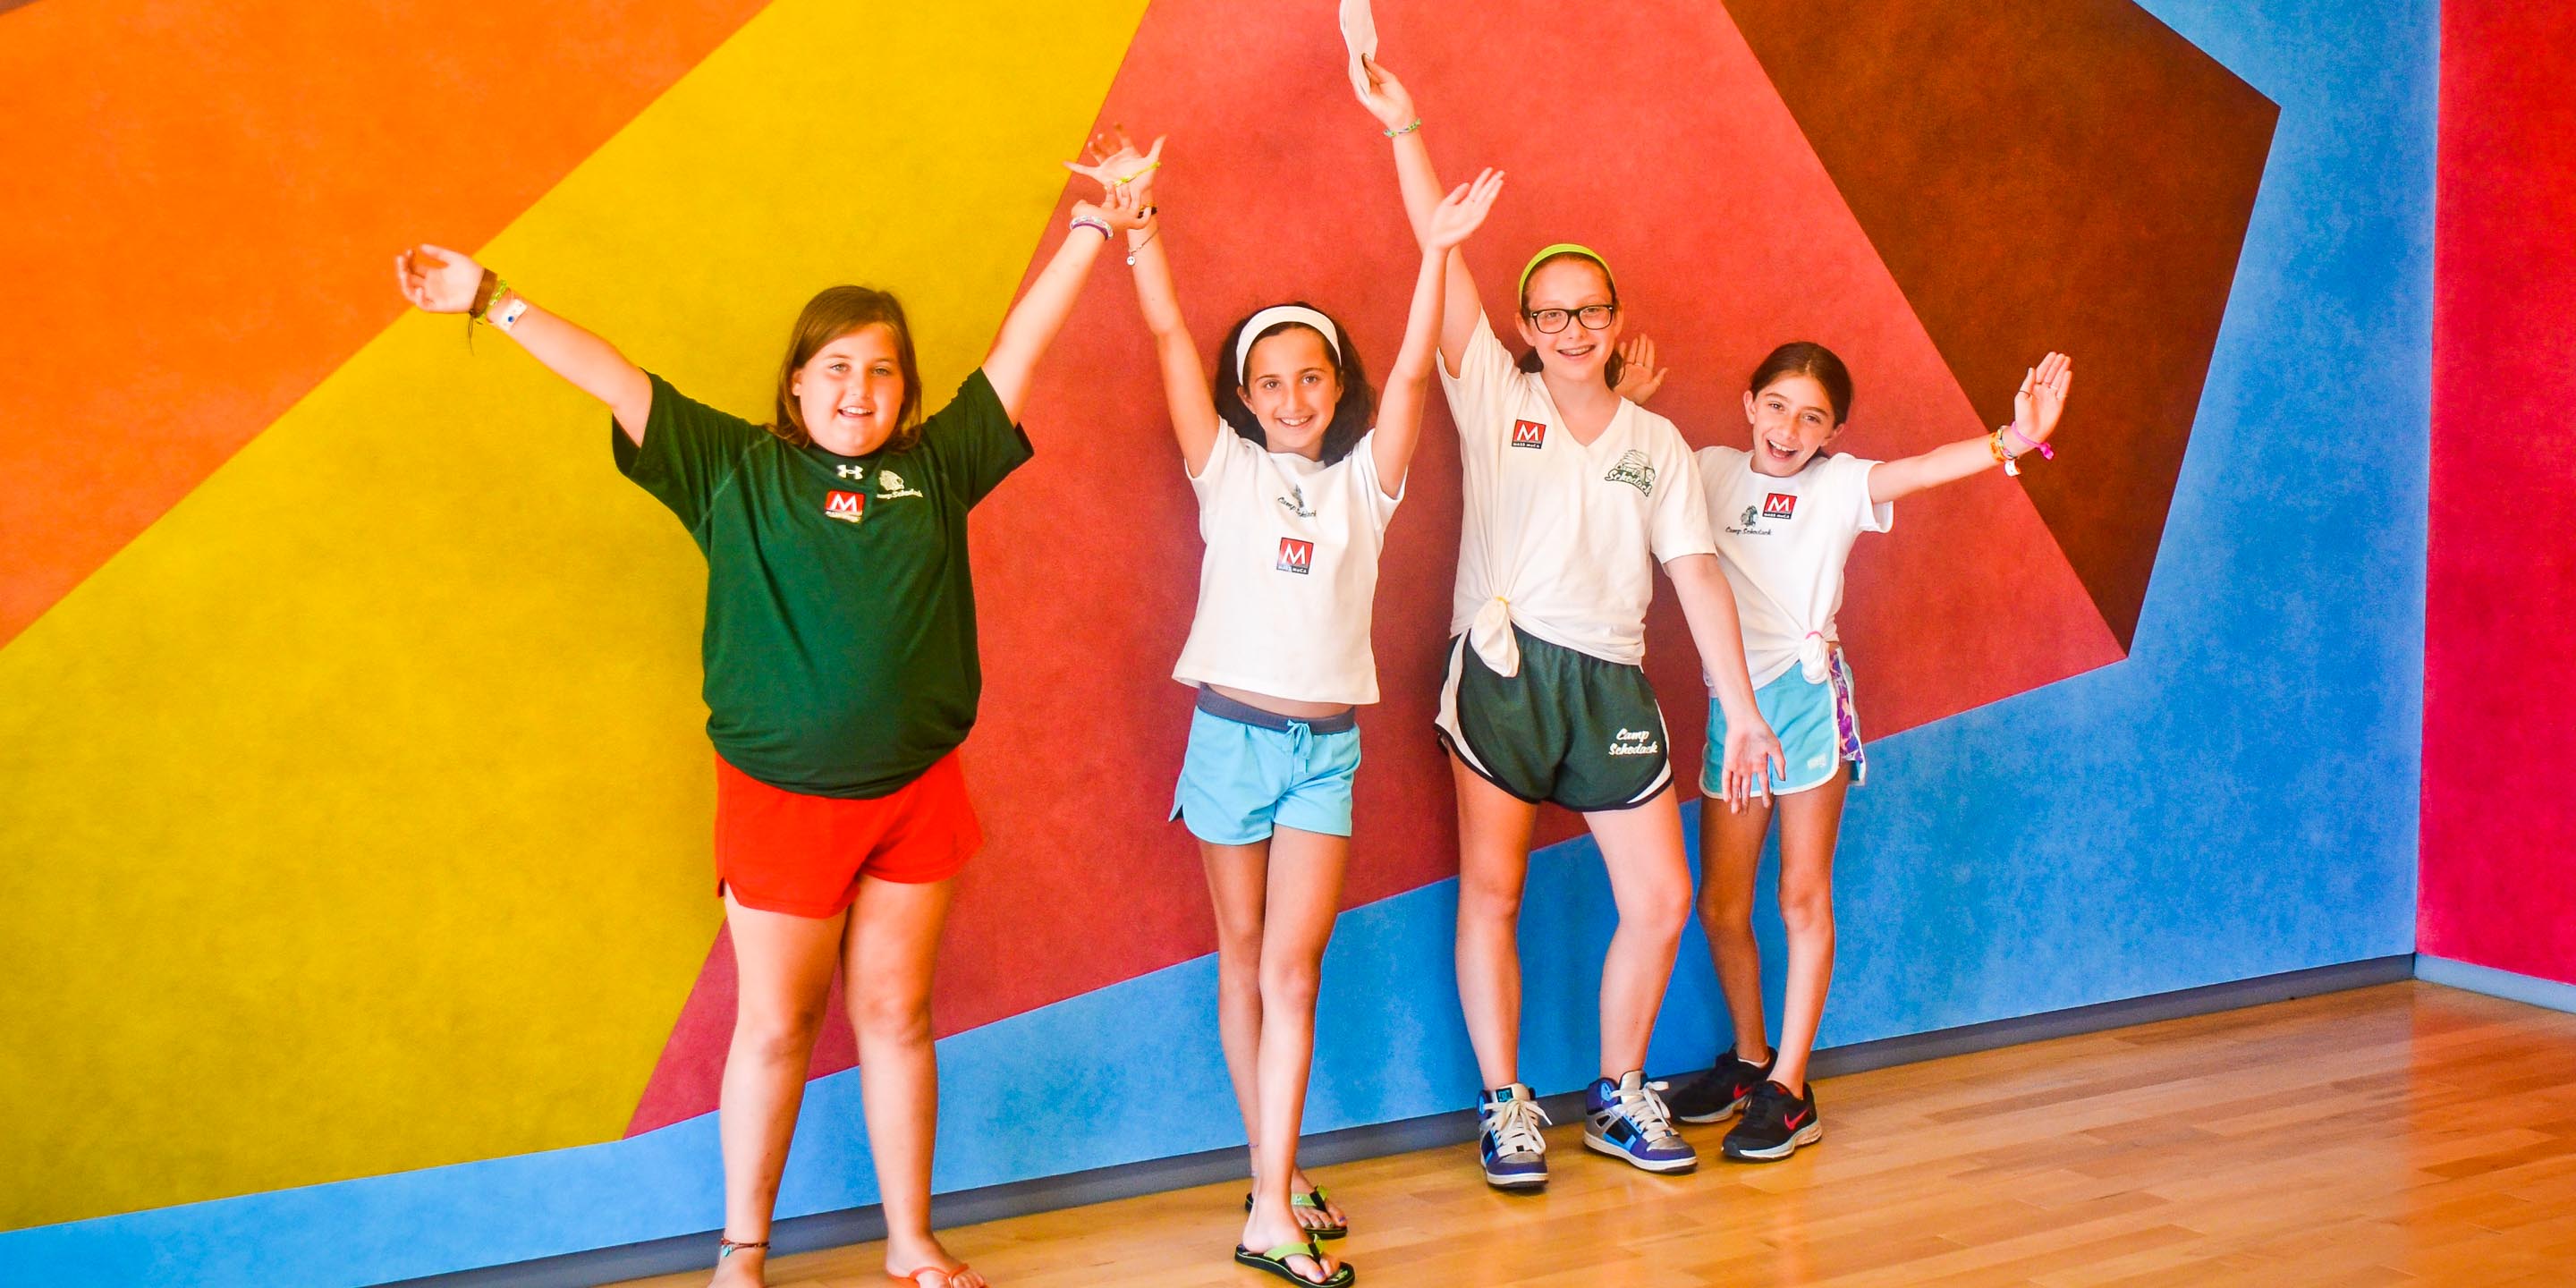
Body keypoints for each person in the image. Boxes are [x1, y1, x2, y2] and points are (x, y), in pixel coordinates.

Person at [391, 168, 1151, 1288]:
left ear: (906, 393)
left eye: (882, 369)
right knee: (779, 1028)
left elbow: (1018, 353)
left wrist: (1096, 224)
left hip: (916, 794)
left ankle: (910, 1243)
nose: (860, 387)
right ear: (797, 387)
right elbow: (613, 378)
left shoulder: (933, 469)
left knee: (898, 1014)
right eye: (837, 367)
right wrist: (490, 297)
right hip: (782, 801)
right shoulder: (733, 470)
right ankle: (739, 1258)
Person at [1353, 56, 1785, 1188]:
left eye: (1587, 311)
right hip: (1500, 672)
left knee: (1663, 898)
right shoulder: (1494, 391)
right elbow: (1437, 258)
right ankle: (1506, 1109)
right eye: (1548, 313)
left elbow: (1697, 579)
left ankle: (1616, 1093)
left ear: (1614, 319)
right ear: (1527, 326)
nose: (1570, 327)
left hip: (1612, 684)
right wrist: (1406, 129)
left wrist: (1740, 713)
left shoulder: (1657, 448)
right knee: (1490, 893)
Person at [1664, 343, 2074, 1161]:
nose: (1790, 427)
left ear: (1834, 431)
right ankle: (1750, 1061)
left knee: (1801, 898)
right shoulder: (1703, 469)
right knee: (1720, 904)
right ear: (1749, 403)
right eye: (1777, 405)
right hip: (1733, 707)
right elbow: (1630, 465)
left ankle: (1788, 1087)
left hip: (1809, 704)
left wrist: (2015, 440)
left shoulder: (1840, 484)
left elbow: (1920, 469)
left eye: (1813, 416)